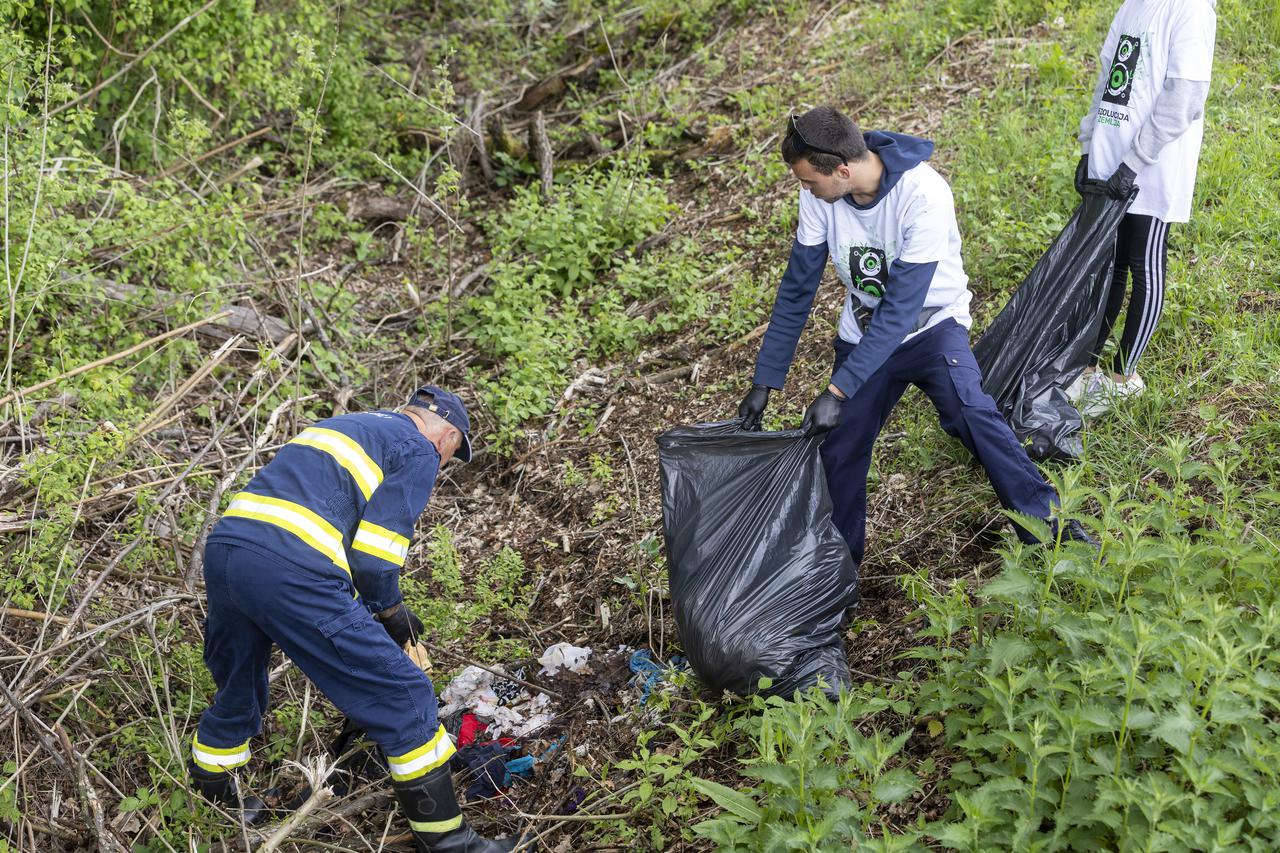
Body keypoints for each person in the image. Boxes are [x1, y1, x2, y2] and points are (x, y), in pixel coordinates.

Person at [737, 107, 1095, 565]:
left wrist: (837, 391)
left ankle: (1056, 537)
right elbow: (796, 290)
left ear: (842, 170)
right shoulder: (819, 197)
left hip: (931, 328)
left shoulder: (923, 194)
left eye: (809, 181)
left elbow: (902, 309)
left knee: (973, 415)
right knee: (840, 449)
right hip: (863, 333)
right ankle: (837, 573)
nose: (804, 189)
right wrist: (765, 382)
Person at [189, 385, 522, 853]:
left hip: (227, 553)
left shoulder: (343, 426)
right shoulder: (419, 448)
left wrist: (366, 611)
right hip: (290, 567)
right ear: (447, 435)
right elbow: (375, 556)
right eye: (453, 452)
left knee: (238, 683)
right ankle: (450, 842)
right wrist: (391, 610)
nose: (445, 462)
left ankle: (217, 807)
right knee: (405, 695)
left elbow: (320, 521)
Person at [1067, 0, 1217, 414]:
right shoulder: (1132, 6)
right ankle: (1087, 368)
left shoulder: (1190, 10)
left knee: (1143, 261)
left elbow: (1183, 98)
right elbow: (1108, 79)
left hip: (1153, 165)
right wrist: (1088, 146)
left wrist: (1135, 161)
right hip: (1110, 157)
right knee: (1110, 264)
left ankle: (1123, 378)